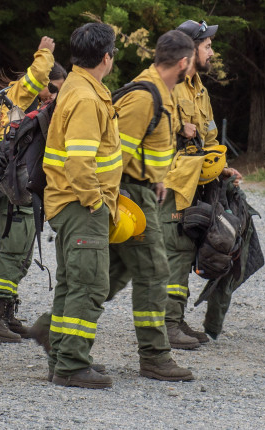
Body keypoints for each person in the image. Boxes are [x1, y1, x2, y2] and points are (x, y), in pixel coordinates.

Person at [31, 22, 122, 389]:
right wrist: (96, 204)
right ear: (106, 57)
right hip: (81, 206)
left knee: (71, 284)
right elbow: (81, 162)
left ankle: (64, 356)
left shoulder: (77, 87)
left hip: (68, 204)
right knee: (90, 286)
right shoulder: (85, 97)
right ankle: (71, 365)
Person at [105, 30, 196, 382]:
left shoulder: (161, 90)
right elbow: (117, 153)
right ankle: (155, 357)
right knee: (156, 272)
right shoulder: (145, 96)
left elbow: (148, 143)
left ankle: (52, 330)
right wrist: (118, 200)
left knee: (112, 274)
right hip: (130, 196)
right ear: (184, 62)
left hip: (143, 189)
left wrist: (157, 175)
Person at [0, 36, 67, 343]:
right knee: (14, 249)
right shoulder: (17, 97)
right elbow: (37, 76)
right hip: (11, 187)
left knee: (24, 252)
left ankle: (6, 313)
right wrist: (45, 53)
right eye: (53, 87)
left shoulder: (42, 109)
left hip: (25, 188)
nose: (55, 95)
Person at [164, 18, 242, 346]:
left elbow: (209, 136)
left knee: (188, 249)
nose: (212, 51)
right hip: (172, 185)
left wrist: (221, 168)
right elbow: (145, 129)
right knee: (174, 252)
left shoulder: (200, 90)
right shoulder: (167, 84)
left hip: (199, 182)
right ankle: (166, 325)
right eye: (207, 45)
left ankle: (176, 321)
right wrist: (177, 127)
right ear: (190, 48)